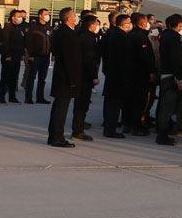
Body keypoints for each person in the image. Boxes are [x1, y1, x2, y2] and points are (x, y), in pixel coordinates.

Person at [47, 8, 84, 147]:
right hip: (65, 78)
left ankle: (54, 136)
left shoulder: (63, 31)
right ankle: (57, 137)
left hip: (62, 76)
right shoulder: (67, 33)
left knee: (59, 108)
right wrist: (73, 80)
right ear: (68, 18)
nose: (76, 18)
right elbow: (70, 59)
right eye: (74, 16)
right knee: (60, 110)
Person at [154, 14, 182, 146]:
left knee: (163, 105)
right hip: (170, 76)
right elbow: (176, 60)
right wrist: (179, 79)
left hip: (165, 74)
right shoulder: (173, 38)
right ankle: (162, 135)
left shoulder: (166, 35)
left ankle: (161, 131)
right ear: (178, 24)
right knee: (167, 107)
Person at [100, 14, 132, 138]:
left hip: (112, 74)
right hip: (118, 76)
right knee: (114, 104)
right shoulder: (121, 37)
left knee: (111, 103)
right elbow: (123, 59)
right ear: (122, 24)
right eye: (128, 22)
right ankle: (110, 129)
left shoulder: (113, 34)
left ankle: (109, 127)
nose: (130, 24)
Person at [72, 13, 100, 141]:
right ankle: (78, 130)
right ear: (91, 25)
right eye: (96, 23)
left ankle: (78, 127)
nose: (97, 26)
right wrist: (94, 76)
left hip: (79, 73)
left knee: (80, 103)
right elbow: (89, 60)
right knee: (82, 103)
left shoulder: (79, 35)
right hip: (84, 76)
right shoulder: (88, 38)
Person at [22, 8, 52, 104]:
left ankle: (40, 97)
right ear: (40, 15)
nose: (48, 16)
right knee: (31, 77)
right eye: (46, 14)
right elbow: (28, 42)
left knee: (42, 79)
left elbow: (51, 41)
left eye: (48, 14)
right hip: (35, 56)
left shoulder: (48, 28)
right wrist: (29, 55)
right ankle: (28, 98)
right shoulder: (33, 27)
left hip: (46, 56)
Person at [0, 10, 27, 103]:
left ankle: (12, 97)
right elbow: (5, 42)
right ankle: (1, 97)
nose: (20, 18)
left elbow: (22, 42)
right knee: (5, 77)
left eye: (20, 16)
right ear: (12, 17)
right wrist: (7, 55)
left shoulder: (20, 28)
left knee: (14, 77)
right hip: (9, 56)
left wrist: (22, 54)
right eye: (18, 16)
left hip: (17, 56)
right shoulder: (7, 27)